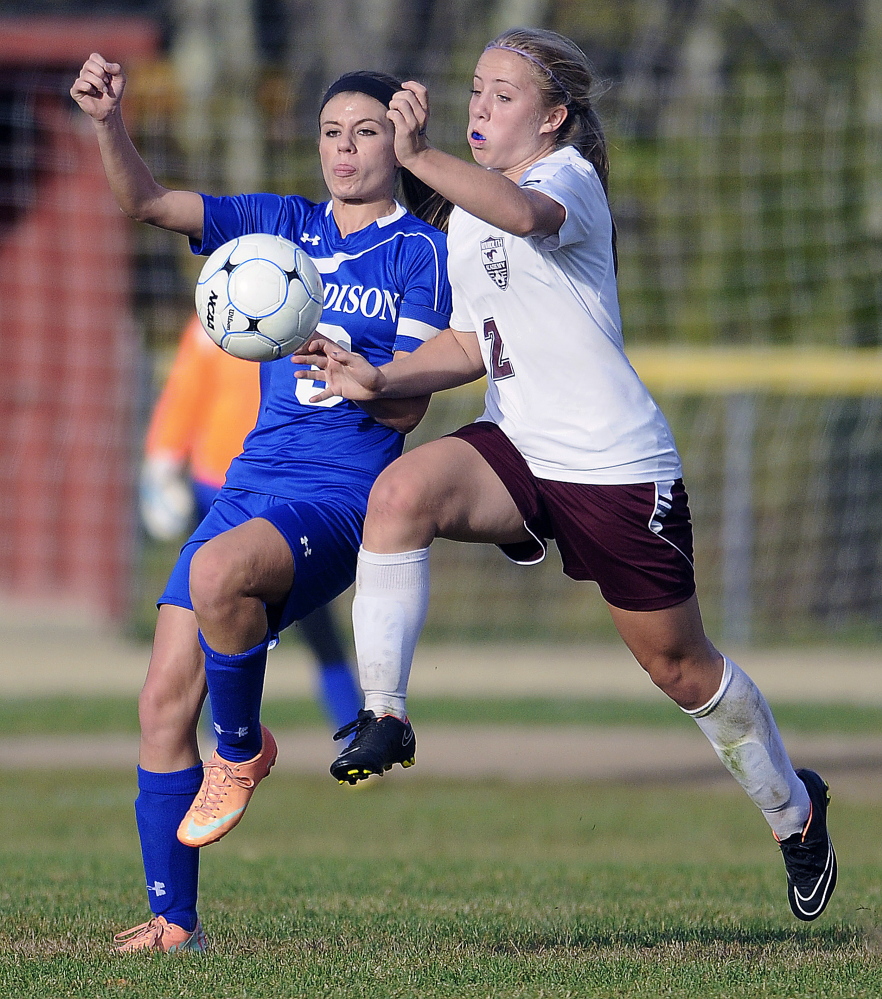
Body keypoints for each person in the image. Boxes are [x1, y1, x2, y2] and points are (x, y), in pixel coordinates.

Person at [294, 27, 837, 923]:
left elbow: (524, 217)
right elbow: (471, 343)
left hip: (614, 468)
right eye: (476, 88)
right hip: (518, 448)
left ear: (552, 120)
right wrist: (383, 378)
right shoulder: (465, 212)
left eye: (504, 95)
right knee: (398, 496)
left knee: (680, 667)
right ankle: (382, 713)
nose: (480, 106)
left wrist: (420, 154)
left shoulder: (567, 181)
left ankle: (794, 810)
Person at [71, 56, 452, 952]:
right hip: (251, 484)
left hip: (344, 498)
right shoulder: (281, 226)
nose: (345, 148)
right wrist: (107, 122)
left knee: (215, 572)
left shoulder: (419, 252)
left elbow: (406, 405)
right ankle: (175, 922)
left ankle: (239, 746)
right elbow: (150, 204)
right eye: (330, 132)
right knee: (162, 700)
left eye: (365, 131)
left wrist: (348, 366)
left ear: (398, 141)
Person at [140, 312, 362, 733]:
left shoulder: (312, 310)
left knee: (312, 617)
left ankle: (352, 729)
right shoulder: (214, 317)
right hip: (221, 487)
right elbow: (184, 394)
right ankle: (220, 744)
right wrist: (163, 462)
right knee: (213, 617)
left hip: (292, 483)